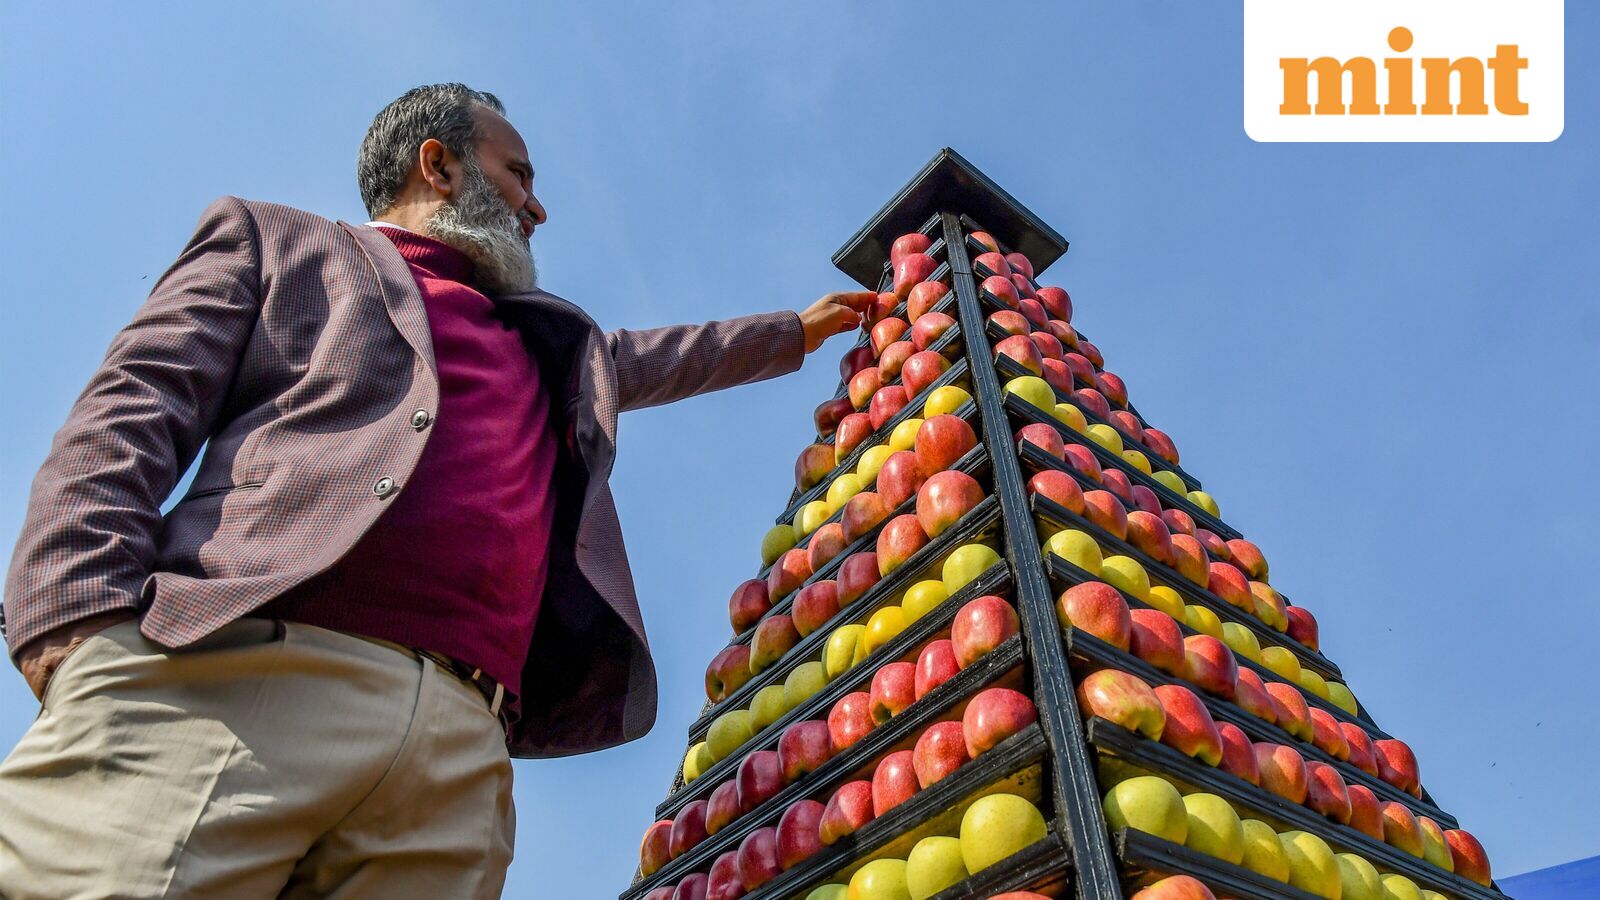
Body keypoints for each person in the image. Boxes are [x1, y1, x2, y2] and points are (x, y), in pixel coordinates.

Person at [0, 82, 874, 898]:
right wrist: (75, 626)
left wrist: (795, 332)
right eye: (517, 174)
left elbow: (664, 357)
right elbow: (127, 418)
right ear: (439, 164)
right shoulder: (280, 242)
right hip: (231, 680)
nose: (537, 204)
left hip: (461, 750)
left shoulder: (550, 343)